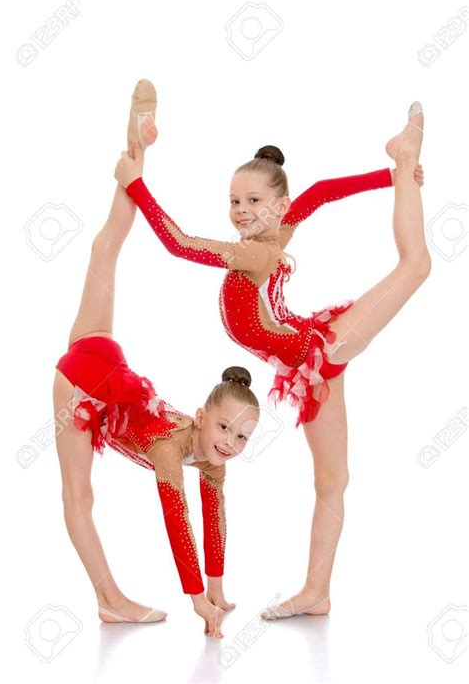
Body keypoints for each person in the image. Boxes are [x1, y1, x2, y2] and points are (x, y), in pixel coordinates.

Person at [114, 91, 430, 620]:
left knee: (416, 264)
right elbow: (323, 193)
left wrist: (135, 184)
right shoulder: (275, 233)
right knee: (333, 480)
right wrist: (379, 179)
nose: (241, 212)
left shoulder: (254, 251)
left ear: (278, 205)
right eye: (235, 201)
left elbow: (179, 242)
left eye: (254, 201)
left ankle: (407, 155)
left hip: (321, 345)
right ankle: (317, 591)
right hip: (309, 368)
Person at [52, 80, 259, 637]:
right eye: (223, 428)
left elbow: (213, 520)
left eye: (241, 437)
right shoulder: (171, 449)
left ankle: (135, 144)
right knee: (79, 493)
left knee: (105, 249)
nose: (228, 444)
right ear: (200, 413)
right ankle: (109, 599)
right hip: (82, 381)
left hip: (102, 354)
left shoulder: (212, 461)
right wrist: (196, 601)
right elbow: (179, 523)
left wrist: (219, 591)